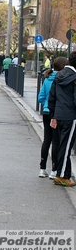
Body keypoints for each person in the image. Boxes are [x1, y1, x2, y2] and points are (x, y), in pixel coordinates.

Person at [48, 51, 76, 187]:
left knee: (61, 145)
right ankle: (62, 175)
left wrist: (53, 115)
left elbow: (52, 97)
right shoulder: (74, 77)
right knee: (66, 146)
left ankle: (61, 173)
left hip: (59, 115)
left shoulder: (58, 75)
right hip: (71, 116)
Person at [38, 57, 67, 179]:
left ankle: (42, 168)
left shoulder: (47, 79)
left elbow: (40, 97)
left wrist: (46, 104)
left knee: (46, 140)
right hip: (56, 113)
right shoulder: (62, 79)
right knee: (56, 141)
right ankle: (54, 170)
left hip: (46, 112)